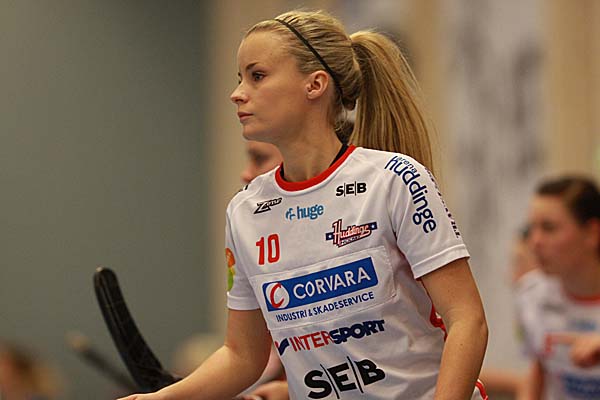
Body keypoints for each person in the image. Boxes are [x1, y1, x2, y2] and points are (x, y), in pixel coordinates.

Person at [118, 9, 488, 400]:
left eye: (257, 76)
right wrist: (161, 398)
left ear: (315, 84)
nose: (237, 93)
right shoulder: (245, 212)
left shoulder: (395, 179)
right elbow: (242, 356)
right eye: (240, 78)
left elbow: (467, 319)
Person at [516, 176, 600, 400]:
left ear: (592, 233)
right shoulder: (531, 293)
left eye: (549, 228)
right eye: (531, 229)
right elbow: (538, 370)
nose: (535, 242)